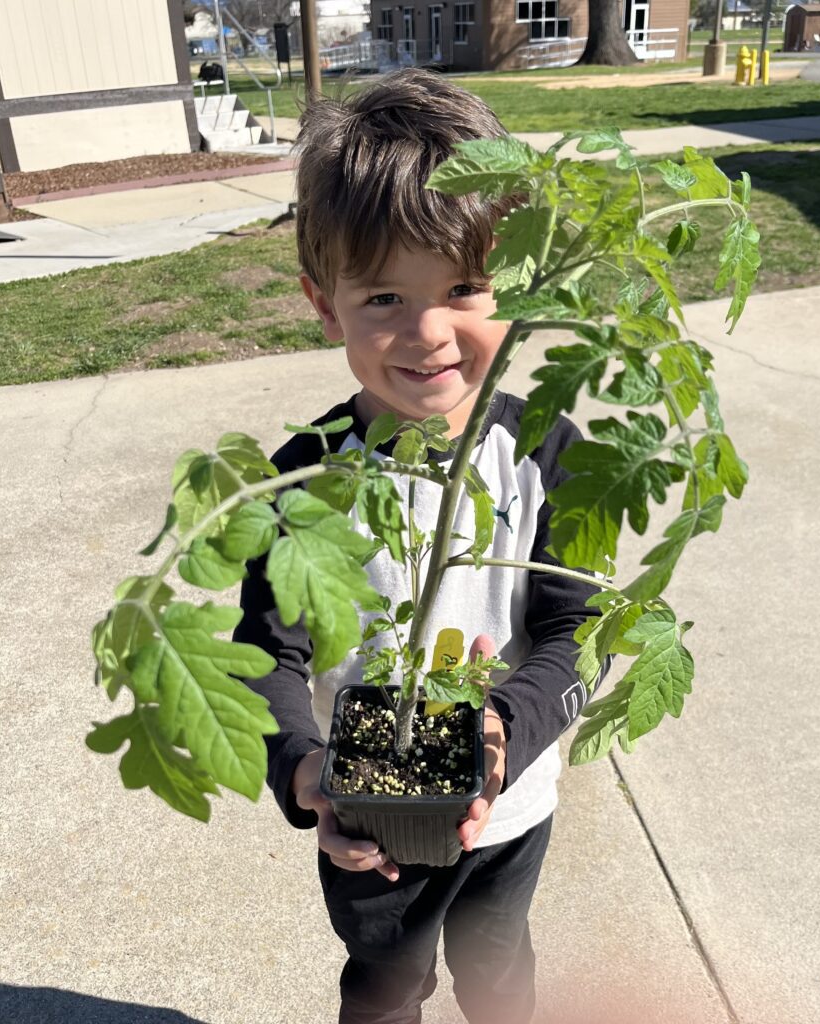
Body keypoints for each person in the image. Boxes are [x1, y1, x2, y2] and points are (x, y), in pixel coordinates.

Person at [234, 69, 602, 1024]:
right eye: (385, 296)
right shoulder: (300, 483)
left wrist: (503, 732)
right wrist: (308, 772)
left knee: (500, 969)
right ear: (326, 305)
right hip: (371, 820)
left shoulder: (551, 450)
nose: (429, 333)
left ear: (516, 281)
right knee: (387, 983)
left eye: (467, 288)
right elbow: (264, 657)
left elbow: (579, 633)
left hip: (512, 810)